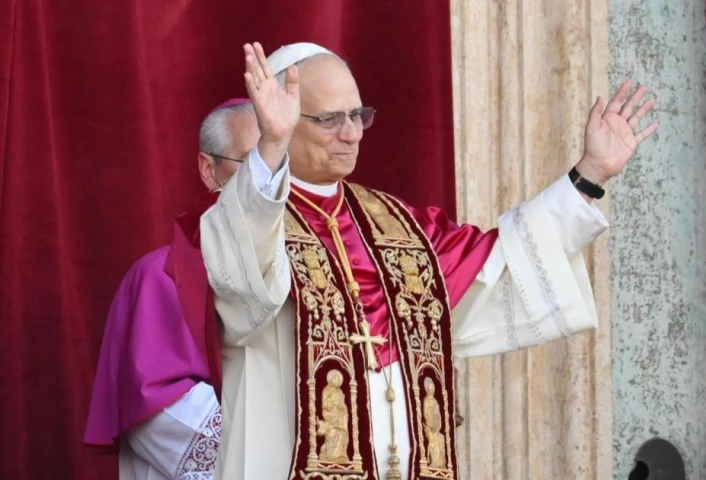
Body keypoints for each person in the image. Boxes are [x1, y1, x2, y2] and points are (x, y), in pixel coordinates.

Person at [200, 41, 658, 480]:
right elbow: (244, 288)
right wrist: (271, 148)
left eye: (358, 115)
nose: (352, 133)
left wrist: (590, 175)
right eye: (330, 119)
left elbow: (500, 261)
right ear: (283, 119)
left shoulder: (400, 226)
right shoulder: (254, 213)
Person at [84, 98, 259, 479]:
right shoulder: (162, 276)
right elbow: (157, 409)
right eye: (252, 162)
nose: (269, 181)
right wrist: (273, 449)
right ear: (209, 170)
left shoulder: (316, 272)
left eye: (280, 164)